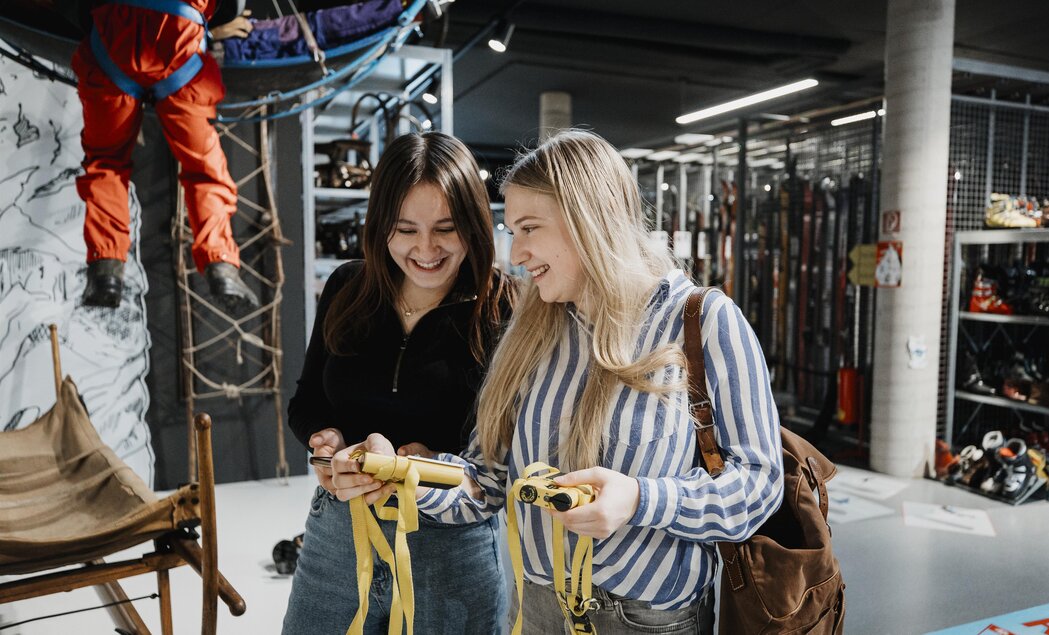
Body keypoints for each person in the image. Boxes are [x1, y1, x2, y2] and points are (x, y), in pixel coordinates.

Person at [331, 129, 785, 634]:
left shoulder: (703, 321)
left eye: (528, 228)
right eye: (512, 231)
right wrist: (399, 475)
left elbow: (759, 487)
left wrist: (639, 499)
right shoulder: (535, 329)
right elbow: (485, 483)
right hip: (538, 609)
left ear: (588, 220)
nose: (517, 252)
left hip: (647, 620)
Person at [283, 132, 514, 634]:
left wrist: (429, 464)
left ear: (474, 227)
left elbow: (508, 453)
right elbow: (307, 401)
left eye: (446, 229)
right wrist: (327, 443)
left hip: (451, 544)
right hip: (341, 528)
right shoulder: (349, 287)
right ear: (381, 226)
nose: (425, 249)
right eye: (405, 229)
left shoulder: (503, 309)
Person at [72, 0, 258, 311]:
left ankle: (105, 269)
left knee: (106, 163)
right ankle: (221, 265)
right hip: (180, 59)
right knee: (203, 170)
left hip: (111, 49)